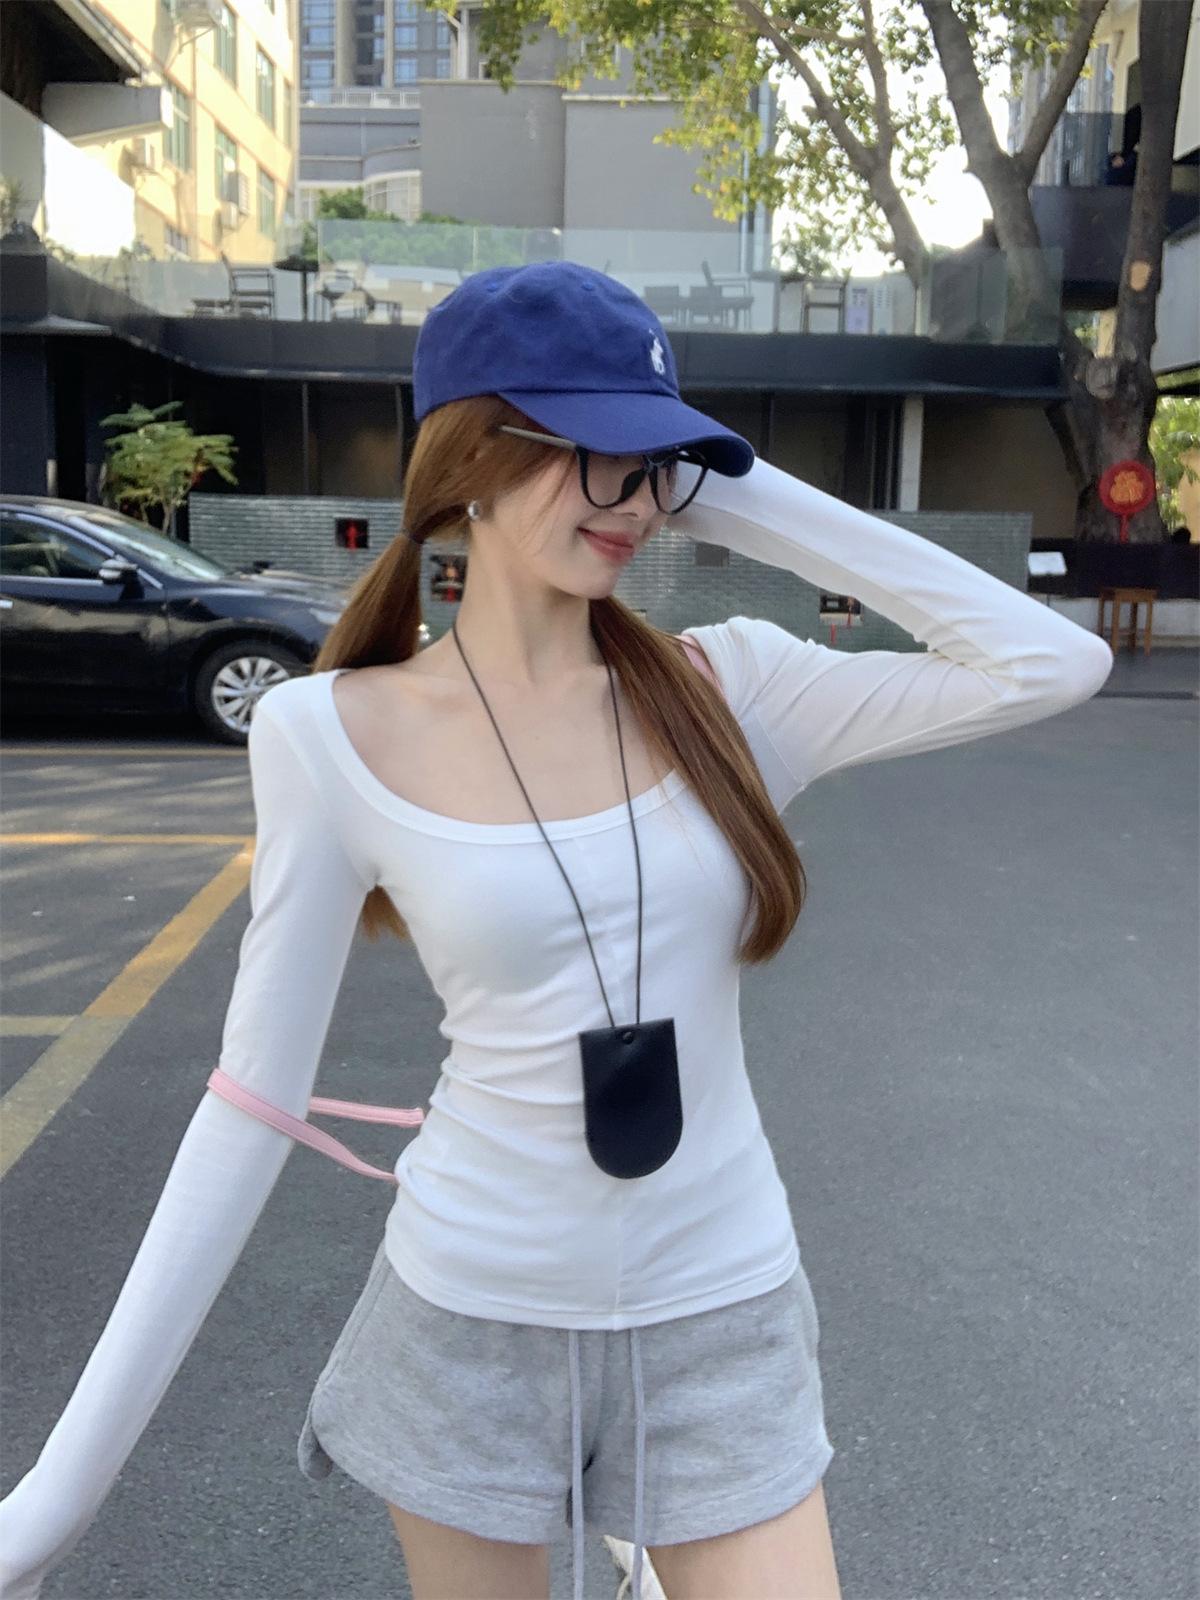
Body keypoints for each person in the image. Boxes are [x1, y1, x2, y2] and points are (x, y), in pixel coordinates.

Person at [0, 260, 1115, 1600]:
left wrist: (729, 488)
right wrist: (58, 1493)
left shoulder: (733, 689)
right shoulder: (325, 733)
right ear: (471, 456)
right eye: (593, 453)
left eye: (654, 468)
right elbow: (254, 1099)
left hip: (721, 1316)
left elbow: (1054, 662)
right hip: (468, 1322)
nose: (634, 500)